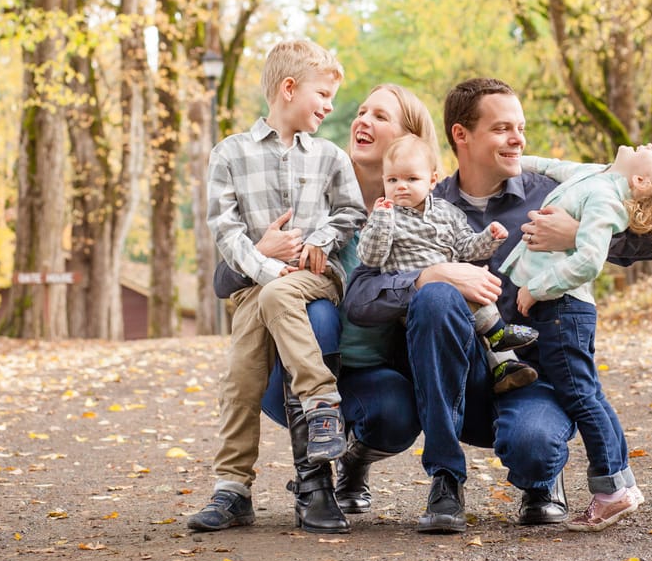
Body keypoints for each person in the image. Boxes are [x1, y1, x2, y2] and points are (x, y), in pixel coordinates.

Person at [342, 77, 652, 534]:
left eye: (519, 127)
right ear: (462, 135)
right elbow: (360, 298)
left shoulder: (554, 195)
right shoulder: (419, 199)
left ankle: (542, 479)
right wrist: (425, 276)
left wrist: (577, 235)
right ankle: (445, 479)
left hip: (531, 373)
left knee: (534, 449)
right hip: (458, 376)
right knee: (438, 296)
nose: (518, 138)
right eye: (502, 128)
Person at [200, 83, 437, 533]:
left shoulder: (421, 214)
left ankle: (352, 461)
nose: (361, 120)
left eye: (380, 117)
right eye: (362, 111)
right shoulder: (315, 176)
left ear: (410, 141)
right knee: (316, 310)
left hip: (370, 369)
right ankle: (313, 485)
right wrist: (262, 250)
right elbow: (222, 280)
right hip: (292, 371)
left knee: (395, 415)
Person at [188, 39, 367, 532]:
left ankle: (320, 398)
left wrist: (321, 241)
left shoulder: (329, 157)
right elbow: (225, 232)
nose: (330, 107)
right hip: (257, 287)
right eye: (324, 95)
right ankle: (232, 490)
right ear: (289, 88)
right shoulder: (229, 154)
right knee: (240, 380)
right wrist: (266, 265)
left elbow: (352, 212)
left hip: (313, 280)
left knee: (276, 298)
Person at [501, 146, 652, 531]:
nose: (649, 145)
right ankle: (621, 481)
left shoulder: (605, 197)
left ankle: (612, 492)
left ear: (641, 181)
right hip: (562, 309)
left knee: (580, 397)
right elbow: (551, 166)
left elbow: (590, 259)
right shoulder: (596, 174)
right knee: (589, 393)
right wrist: (515, 161)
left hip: (561, 308)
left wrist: (537, 287)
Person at [356, 134, 540, 393]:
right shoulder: (385, 216)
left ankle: (505, 368)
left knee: (472, 282)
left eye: (411, 179)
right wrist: (382, 220)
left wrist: (489, 237)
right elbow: (370, 257)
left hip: (456, 291)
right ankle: (499, 332)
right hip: (420, 303)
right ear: (383, 180)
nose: (401, 186)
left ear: (431, 180)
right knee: (451, 295)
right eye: (392, 179)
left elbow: (466, 247)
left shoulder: (447, 212)